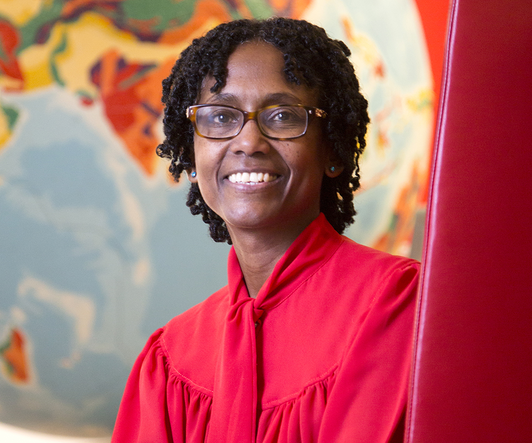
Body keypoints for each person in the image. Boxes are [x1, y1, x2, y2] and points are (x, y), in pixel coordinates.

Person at [112, 17, 419, 442]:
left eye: (281, 115)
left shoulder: (396, 302)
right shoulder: (170, 358)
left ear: (332, 149)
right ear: (191, 153)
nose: (248, 142)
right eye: (220, 116)